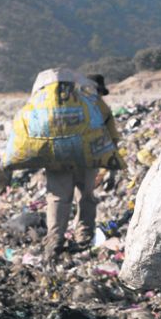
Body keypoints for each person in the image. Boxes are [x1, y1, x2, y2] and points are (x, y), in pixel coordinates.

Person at [43, 74, 120, 256]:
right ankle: (83, 237)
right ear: (97, 89)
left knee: (57, 199)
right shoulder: (97, 105)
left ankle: (54, 240)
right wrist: (111, 171)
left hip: (57, 155)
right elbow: (112, 139)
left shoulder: (58, 103)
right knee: (85, 196)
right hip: (86, 157)